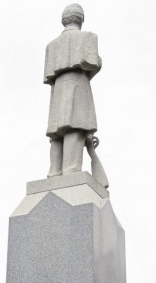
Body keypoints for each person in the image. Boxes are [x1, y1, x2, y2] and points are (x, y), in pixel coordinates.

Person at [44, 3, 101, 178]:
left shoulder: (51, 46)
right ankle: (71, 169)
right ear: (81, 19)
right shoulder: (88, 37)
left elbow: (47, 74)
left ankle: (54, 171)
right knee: (74, 127)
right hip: (77, 84)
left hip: (58, 89)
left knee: (57, 133)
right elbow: (92, 63)